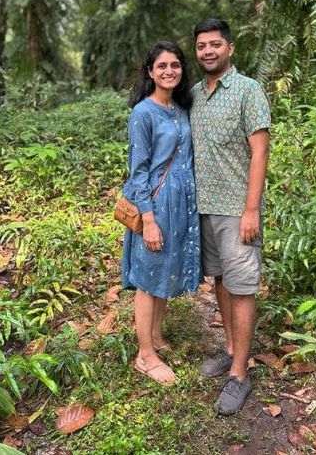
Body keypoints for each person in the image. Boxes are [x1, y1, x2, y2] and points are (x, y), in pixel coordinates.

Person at [190, 18, 271, 415]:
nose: (208, 51)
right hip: (204, 207)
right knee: (221, 280)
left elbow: (259, 151)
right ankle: (230, 349)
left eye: (215, 44)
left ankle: (239, 373)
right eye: (202, 45)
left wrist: (251, 209)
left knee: (241, 286)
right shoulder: (194, 95)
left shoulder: (247, 90)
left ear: (230, 49)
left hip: (238, 208)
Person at [120, 41, 201, 386]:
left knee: (165, 269)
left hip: (181, 202)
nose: (169, 71)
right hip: (155, 203)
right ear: (150, 72)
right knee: (149, 277)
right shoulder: (144, 113)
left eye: (175, 65)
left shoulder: (181, 109)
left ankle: (154, 335)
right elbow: (138, 171)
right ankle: (145, 356)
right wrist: (149, 220)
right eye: (162, 66)